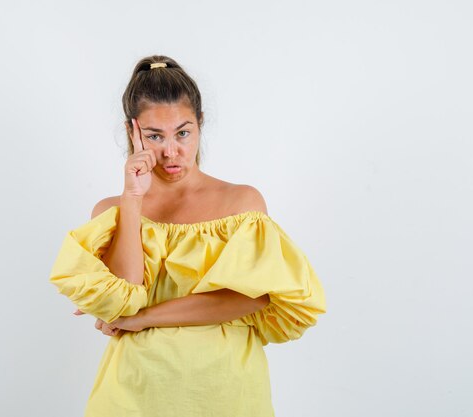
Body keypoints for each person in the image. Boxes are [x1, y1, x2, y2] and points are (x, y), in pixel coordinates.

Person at [49, 55, 326, 417]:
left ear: (200, 125)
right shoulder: (111, 212)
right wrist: (132, 198)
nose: (170, 151)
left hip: (226, 395)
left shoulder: (241, 202)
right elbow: (121, 300)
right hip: (131, 396)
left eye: (183, 133)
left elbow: (252, 298)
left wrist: (143, 319)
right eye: (153, 136)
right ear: (132, 132)